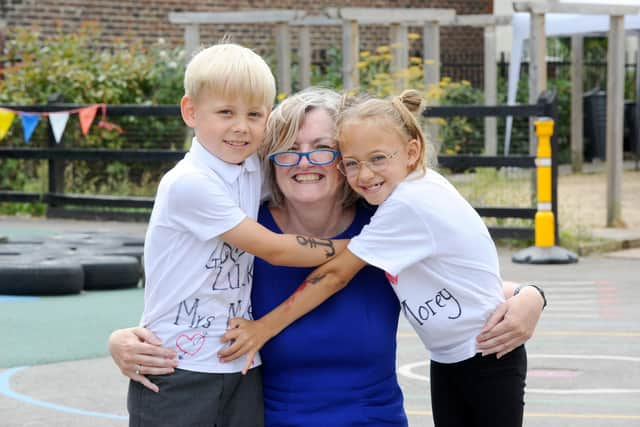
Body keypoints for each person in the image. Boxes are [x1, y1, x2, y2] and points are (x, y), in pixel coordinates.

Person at [110, 88, 546, 426]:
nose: (305, 161)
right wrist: (125, 339)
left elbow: (457, 279)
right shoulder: (248, 230)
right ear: (271, 160)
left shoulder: (385, 222)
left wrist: (531, 296)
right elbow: (189, 296)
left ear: (344, 157)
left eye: (323, 148)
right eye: (289, 148)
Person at [129, 44, 348, 427]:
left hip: (240, 363)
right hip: (175, 367)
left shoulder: (249, 167)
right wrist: (357, 248)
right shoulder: (189, 183)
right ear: (190, 111)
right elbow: (274, 250)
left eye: (254, 114)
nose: (241, 127)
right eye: (225, 113)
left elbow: (300, 170)